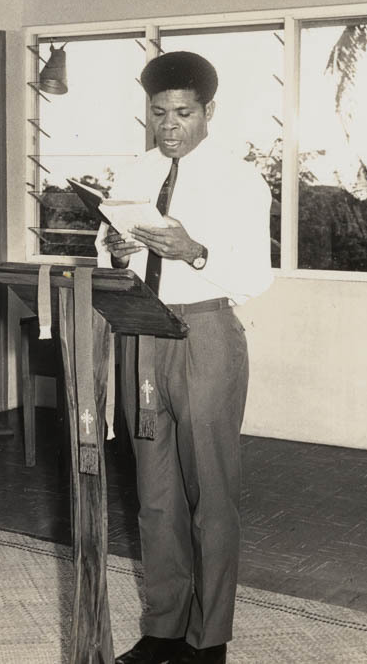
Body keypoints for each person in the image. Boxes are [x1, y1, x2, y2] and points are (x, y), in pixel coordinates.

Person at [100, 52, 273, 664]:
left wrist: (193, 250)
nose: (169, 126)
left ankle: (209, 640)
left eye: (183, 113)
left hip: (206, 334)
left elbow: (255, 274)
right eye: (158, 113)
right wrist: (118, 252)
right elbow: (108, 258)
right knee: (153, 493)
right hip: (141, 335)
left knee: (211, 492)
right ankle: (163, 629)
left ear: (209, 112)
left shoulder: (239, 179)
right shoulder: (133, 174)